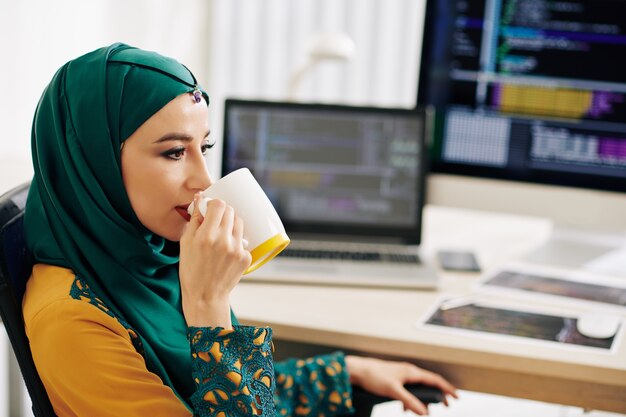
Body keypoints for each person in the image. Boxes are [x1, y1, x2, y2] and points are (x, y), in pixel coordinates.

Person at [22, 43, 457, 417]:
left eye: (204, 147)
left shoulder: (147, 258)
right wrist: (208, 303)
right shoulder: (72, 322)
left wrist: (346, 372)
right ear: (94, 164)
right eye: (175, 152)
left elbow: (232, 393)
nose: (204, 180)